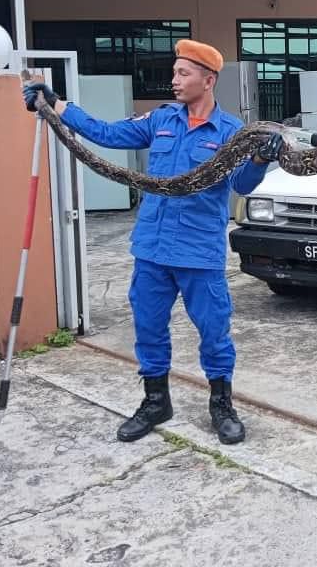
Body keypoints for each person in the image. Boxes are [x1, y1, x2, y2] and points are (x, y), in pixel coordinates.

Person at [23, 39, 282, 446]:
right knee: (148, 327)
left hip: (199, 253)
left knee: (214, 332)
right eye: (175, 72)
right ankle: (156, 401)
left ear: (208, 80)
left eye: (183, 73)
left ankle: (221, 404)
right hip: (152, 249)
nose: (174, 80)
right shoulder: (160, 120)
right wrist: (57, 105)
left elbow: (242, 185)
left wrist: (260, 160)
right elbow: (107, 134)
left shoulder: (231, 132)